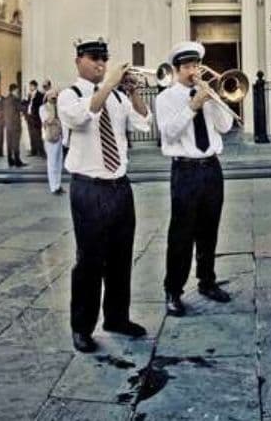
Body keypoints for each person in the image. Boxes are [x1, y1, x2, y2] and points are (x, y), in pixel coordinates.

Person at [58, 37, 153, 353]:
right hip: (89, 188)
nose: (100, 63)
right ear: (78, 61)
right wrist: (109, 84)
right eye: (93, 58)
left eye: (104, 58)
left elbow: (143, 122)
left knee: (121, 258)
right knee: (89, 261)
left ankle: (117, 318)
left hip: (119, 187)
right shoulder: (69, 96)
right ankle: (82, 327)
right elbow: (82, 116)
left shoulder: (117, 97)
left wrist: (133, 91)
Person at [156, 41, 236, 317]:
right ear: (177, 69)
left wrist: (215, 100)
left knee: (209, 229)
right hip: (185, 170)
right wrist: (193, 105)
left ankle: (207, 281)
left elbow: (225, 126)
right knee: (181, 233)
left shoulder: (208, 93)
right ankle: (173, 290)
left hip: (211, 168)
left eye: (196, 65)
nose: (193, 71)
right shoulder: (166, 98)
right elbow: (169, 134)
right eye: (188, 66)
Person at [41, 85, 65, 194]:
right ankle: (53, 187)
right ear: (47, 96)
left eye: (55, 95)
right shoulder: (43, 108)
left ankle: (58, 185)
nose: (54, 97)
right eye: (52, 96)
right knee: (52, 163)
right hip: (50, 137)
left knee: (59, 163)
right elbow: (48, 120)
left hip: (59, 136)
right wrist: (57, 120)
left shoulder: (58, 106)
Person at [2, 84, 26, 168]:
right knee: (16, 144)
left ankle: (10, 161)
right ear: (14, 90)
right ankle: (17, 161)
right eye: (17, 91)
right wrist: (26, 102)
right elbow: (22, 108)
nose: (18, 92)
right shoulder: (15, 99)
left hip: (8, 125)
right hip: (15, 125)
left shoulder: (6, 99)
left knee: (9, 144)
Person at [25, 80, 46, 158]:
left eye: (32, 86)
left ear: (35, 86)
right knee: (31, 135)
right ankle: (33, 151)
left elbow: (40, 106)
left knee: (38, 135)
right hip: (29, 117)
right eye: (30, 86)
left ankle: (41, 152)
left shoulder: (40, 95)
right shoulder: (29, 95)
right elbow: (27, 104)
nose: (30, 87)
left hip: (36, 118)